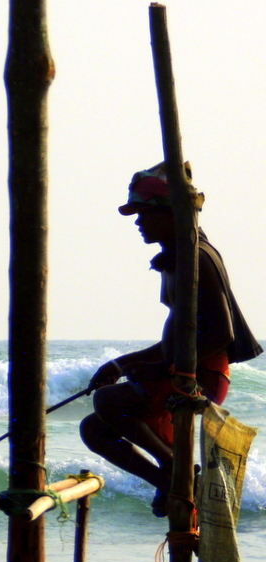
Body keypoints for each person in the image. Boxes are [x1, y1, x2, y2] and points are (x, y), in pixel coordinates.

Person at [80, 162, 261, 517]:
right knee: (94, 429)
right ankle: (167, 477)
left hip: (199, 375)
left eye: (144, 214)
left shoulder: (195, 258)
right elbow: (172, 341)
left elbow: (220, 334)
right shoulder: (175, 258)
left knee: (109, 403)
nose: (138, 223)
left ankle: (177, 471)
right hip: (178, 369)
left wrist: (168, 368)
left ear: (168, 215)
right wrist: (123, 364)